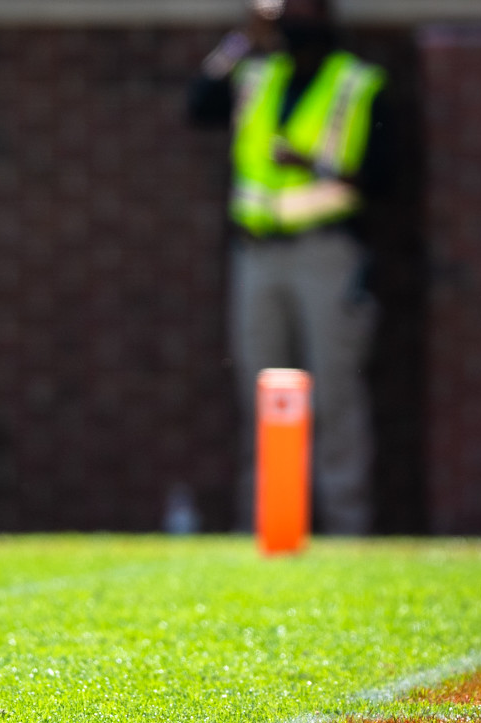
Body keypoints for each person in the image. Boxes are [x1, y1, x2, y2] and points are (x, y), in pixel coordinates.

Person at [188, 0, 392, 534]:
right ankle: (267, 527)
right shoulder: (258, 75)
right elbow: (198, 105)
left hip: (325, 253)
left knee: (335, 394)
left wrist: (312, 165)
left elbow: (384, 177)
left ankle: (348, 530)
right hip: (256, 254)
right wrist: (240, 40)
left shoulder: (356, 83)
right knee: (262, 394)